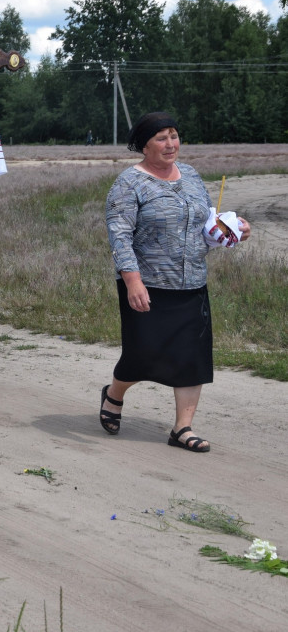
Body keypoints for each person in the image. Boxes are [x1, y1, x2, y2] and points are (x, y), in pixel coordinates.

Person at [99, 112, 251, 453]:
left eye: (174, 136)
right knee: (142, 355)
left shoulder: (192, 175)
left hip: (192, 281)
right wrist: (132, 281)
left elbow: (205, 219)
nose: (171, 144)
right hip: (148, 283)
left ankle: (182, 428)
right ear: (144, 145)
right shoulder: (128, 184)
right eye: (161, 138)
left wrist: (233, 228)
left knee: (191, 357)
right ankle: (114, 394)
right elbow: (120, 236)